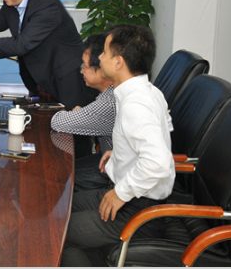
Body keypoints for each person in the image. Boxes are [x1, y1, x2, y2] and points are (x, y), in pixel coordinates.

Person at [61, 24, 175, 267]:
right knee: (61, 208)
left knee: (57, 233)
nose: (100, 57)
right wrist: (122, 152)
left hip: (137, 210)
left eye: (104, 52)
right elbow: (164, 130)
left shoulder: (135, 104)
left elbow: (159, 162)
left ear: (118, 62)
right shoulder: (147, 92)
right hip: (128, 194)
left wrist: (120, 193)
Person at [50, 33, 117, 191]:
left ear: (102, 68)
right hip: (107, 161)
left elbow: (58, 122)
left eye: (85, 67)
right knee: (59, 169)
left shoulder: (109, 102)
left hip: (114, 175)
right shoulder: (111, 93)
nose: (81, 72)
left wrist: (78, 113)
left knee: (56, 178)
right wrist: (81, 113)